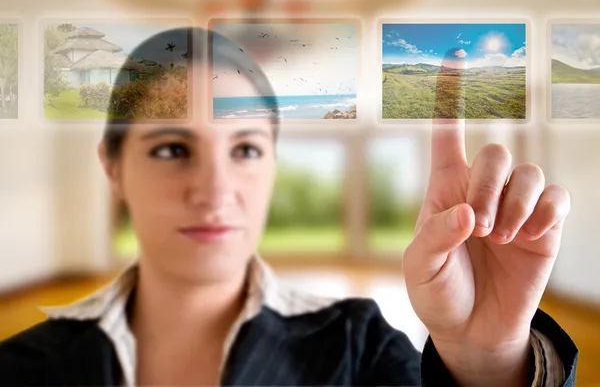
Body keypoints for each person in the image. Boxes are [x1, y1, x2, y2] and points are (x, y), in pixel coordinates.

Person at [0, 27, 578, 386]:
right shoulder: (19, 368)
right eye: (173, 148)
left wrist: (486, 360)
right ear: (113, 166)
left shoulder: (361, 347)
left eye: (246, 148)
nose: (215, 190)